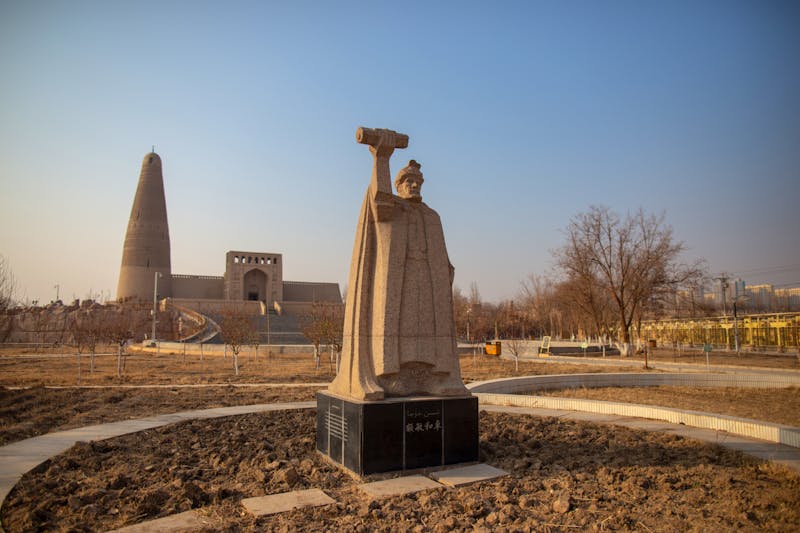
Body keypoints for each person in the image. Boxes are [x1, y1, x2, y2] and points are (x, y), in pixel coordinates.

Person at [329, 153, 468, 400]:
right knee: (397, 321)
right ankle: (392, 376)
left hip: (427, 277)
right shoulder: (391, 211)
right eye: (408, 182)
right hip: (398, 278)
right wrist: (380, 158)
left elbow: (442, 254)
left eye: (418, 182)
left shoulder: (432, 216)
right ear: (399, 185)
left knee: (427, 324)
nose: (414, 186)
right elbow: (379, 197)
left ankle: (432, 377)